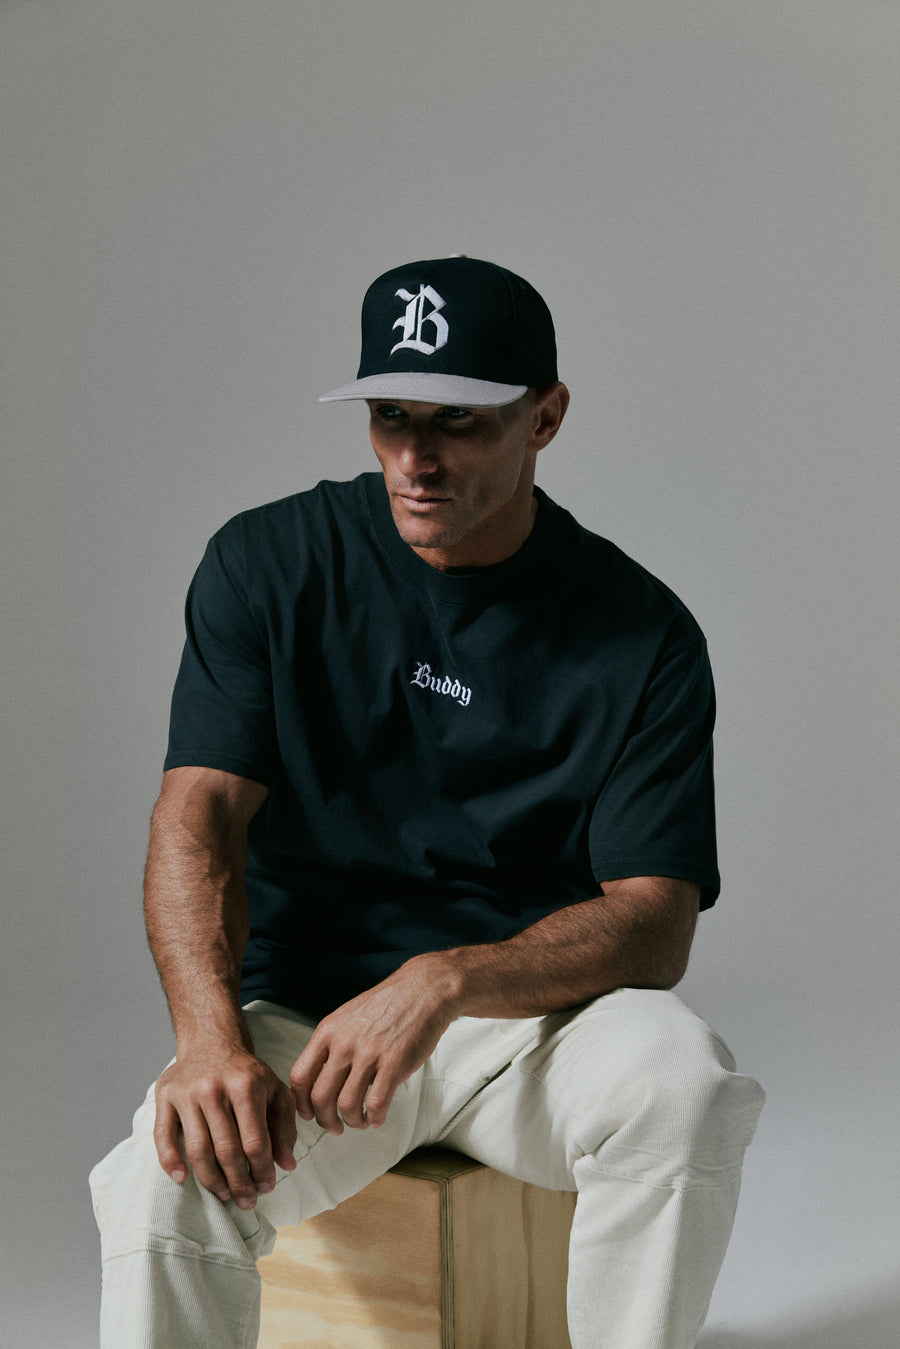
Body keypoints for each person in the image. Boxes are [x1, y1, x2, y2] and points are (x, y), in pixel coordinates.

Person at [90, 255, 764, 1348]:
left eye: (459, 422)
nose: (416, 458)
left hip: (537, 1028)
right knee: (157, 1183)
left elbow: (656, 919)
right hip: (312, 1028)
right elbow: (196, 814)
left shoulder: (644, 633)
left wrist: (446, 979)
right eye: (391, 417)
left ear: (545, 417)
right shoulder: (269, 563)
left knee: (685, 1086)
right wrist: (207, 1040)